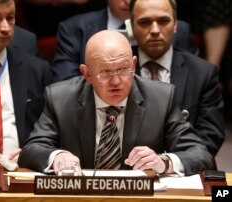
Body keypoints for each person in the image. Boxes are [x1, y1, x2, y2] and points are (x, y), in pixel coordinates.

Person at [18, 30, 215, 176]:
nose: (116, 81)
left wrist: (163, 162)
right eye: (104, 72)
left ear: (134, 64)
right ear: (86, 74)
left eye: (123, 69)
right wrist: (57, 156)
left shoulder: (161, 98)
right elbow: (32, 148)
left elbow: (201, 154)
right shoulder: (60, 98)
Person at [129, 0, 224, 156]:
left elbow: (210, 136)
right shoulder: (117, 69)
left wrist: (169, 163)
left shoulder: (203, 73)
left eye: (163, 21)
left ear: (175, 25)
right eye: (144, 22)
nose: (154, 30)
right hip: (129, 170)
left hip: (181, 172)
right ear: (132, 26)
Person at [52, 0, 197, 82]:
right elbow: (65, 85)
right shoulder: (74, 29)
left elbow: (195, 82)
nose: (129, 2)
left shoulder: (178, 30)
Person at [0, 0, 52, 161]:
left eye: (10, 18)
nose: (6, 27)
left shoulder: (37, 70)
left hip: (19, 171)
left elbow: (52, 133)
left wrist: (31, 155)